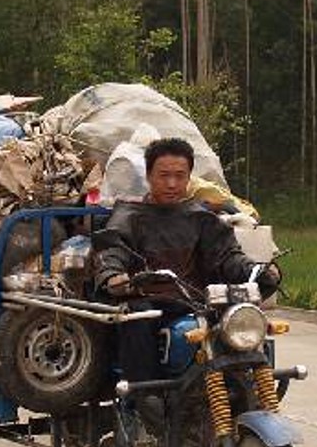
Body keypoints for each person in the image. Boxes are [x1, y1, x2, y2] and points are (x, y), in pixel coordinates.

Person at [92, 137, 281, 392]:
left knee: (247, 323)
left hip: (196, 305)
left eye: (180, 176)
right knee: (135, 317)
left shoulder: (203, 218)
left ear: (189, 177)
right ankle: (145, 399)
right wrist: (113, 274)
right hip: (150, 305)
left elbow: (227, 256)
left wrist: (257, 270)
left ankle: (249, 392)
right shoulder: (128, 218)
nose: (172, 183)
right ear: (148, 176)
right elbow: (113, 250)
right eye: (164, 175)